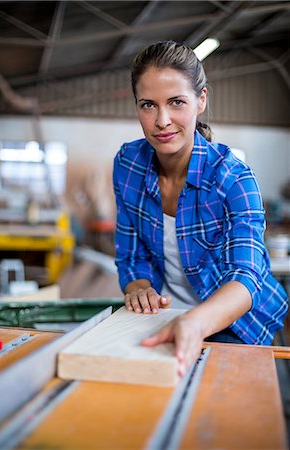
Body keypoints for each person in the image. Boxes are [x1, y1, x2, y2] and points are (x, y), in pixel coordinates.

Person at [113, 40, 288, 376]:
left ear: (201, 100)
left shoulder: (233, 179)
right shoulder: (127, 164)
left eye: (176, 102)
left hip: (240, 323)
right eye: (148, 105)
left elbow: (246, 275)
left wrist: (195, 324)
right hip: (169, 315)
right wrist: (139, 289)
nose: (162, 120)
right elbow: (132, 256)